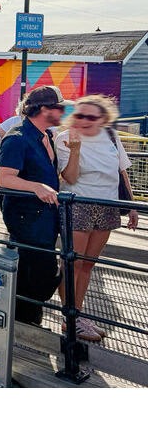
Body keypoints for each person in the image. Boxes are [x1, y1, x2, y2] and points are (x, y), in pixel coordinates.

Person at [55, 94, 139, 341]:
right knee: (72, 263)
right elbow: (69, 178)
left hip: (108, 205)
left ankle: (78, 313)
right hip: (78, 204)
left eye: (90, 116)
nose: (83, 120)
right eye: (79, 115)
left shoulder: (111, 136)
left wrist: (131, 206)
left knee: (88, 264)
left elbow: (121, 171)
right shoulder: (65, 138)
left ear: (103, 119)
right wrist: (76, 150)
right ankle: (69, 317)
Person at [0, 85, 68, 325]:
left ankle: (25, 321)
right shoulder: (17, 138)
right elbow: (4, 178)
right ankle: (22, 317)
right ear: (44, 109)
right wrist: (36, 187)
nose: (63, 111)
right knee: (43, 273)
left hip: (45, 217)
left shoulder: (47, 135)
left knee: (31, 270)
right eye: (59, 107)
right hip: (26, 217)